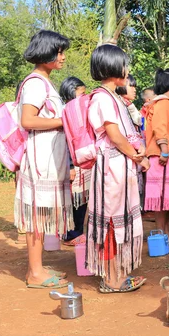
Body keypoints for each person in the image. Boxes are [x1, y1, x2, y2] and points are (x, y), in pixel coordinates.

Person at [15, 30, 73, 289]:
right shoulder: (36, 83)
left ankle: (36, 267)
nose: (62, 57)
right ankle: (35, 273)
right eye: (59, 52)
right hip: (40, 162)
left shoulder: (44, 81)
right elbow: (27, 120)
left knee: (41, 214)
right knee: (37, 215)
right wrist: (64, 121)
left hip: (49, 160)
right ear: (46, 53)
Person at [86, 44, 146, 292]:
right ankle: (111, 278)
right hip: (112, 169)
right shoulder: (102, 98)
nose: (127, 69)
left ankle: (117, 273)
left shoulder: (112, 98)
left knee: (118, 218)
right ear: (112, 67)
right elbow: (115, 135)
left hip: (119, 166)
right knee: (111, 220)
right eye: (124, 64)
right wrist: (137, 156)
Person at [143, 68, 169, 245]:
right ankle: (162, 233)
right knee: (161, 198)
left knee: (165, 198)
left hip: (167, 156)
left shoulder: (166, 103)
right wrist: (165, 150)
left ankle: (166, 232)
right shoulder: (163, 103)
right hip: (163, 156)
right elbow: (160, 128)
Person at [59, 76, 91, 246]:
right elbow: (66, 141)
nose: (85, 97)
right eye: (82, 93)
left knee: (81, 200)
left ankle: (78, 231)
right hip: (72, 164)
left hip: (81, 164)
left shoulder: (78, 111)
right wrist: (70, 166)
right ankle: (71, 233)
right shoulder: (67, 112)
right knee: (74, 200)